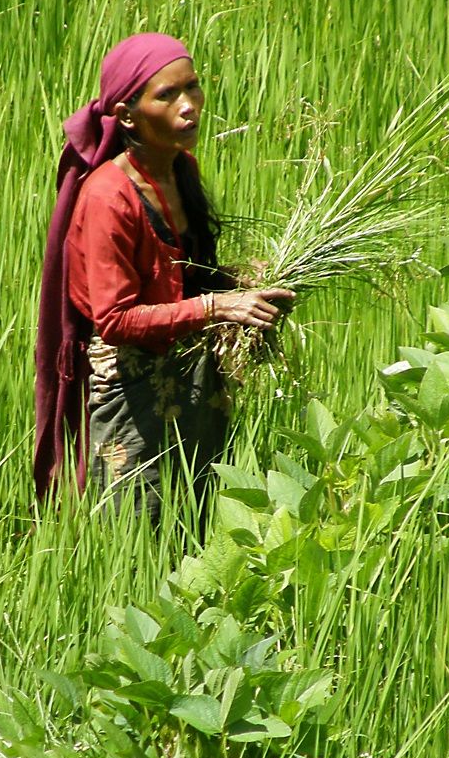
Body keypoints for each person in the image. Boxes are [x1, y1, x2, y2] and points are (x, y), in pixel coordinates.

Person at [34, 32, 293, 524]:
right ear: (128, 116)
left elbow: (184, 275)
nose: (189, 105)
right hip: (135, 389)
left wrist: (243, 287)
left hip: (195, 376)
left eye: (192, 87)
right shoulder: (110, 196)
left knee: (197, 521)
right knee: (139, 533)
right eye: (167, 95)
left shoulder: (182, 169)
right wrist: (219, 308)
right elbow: (114, 320)